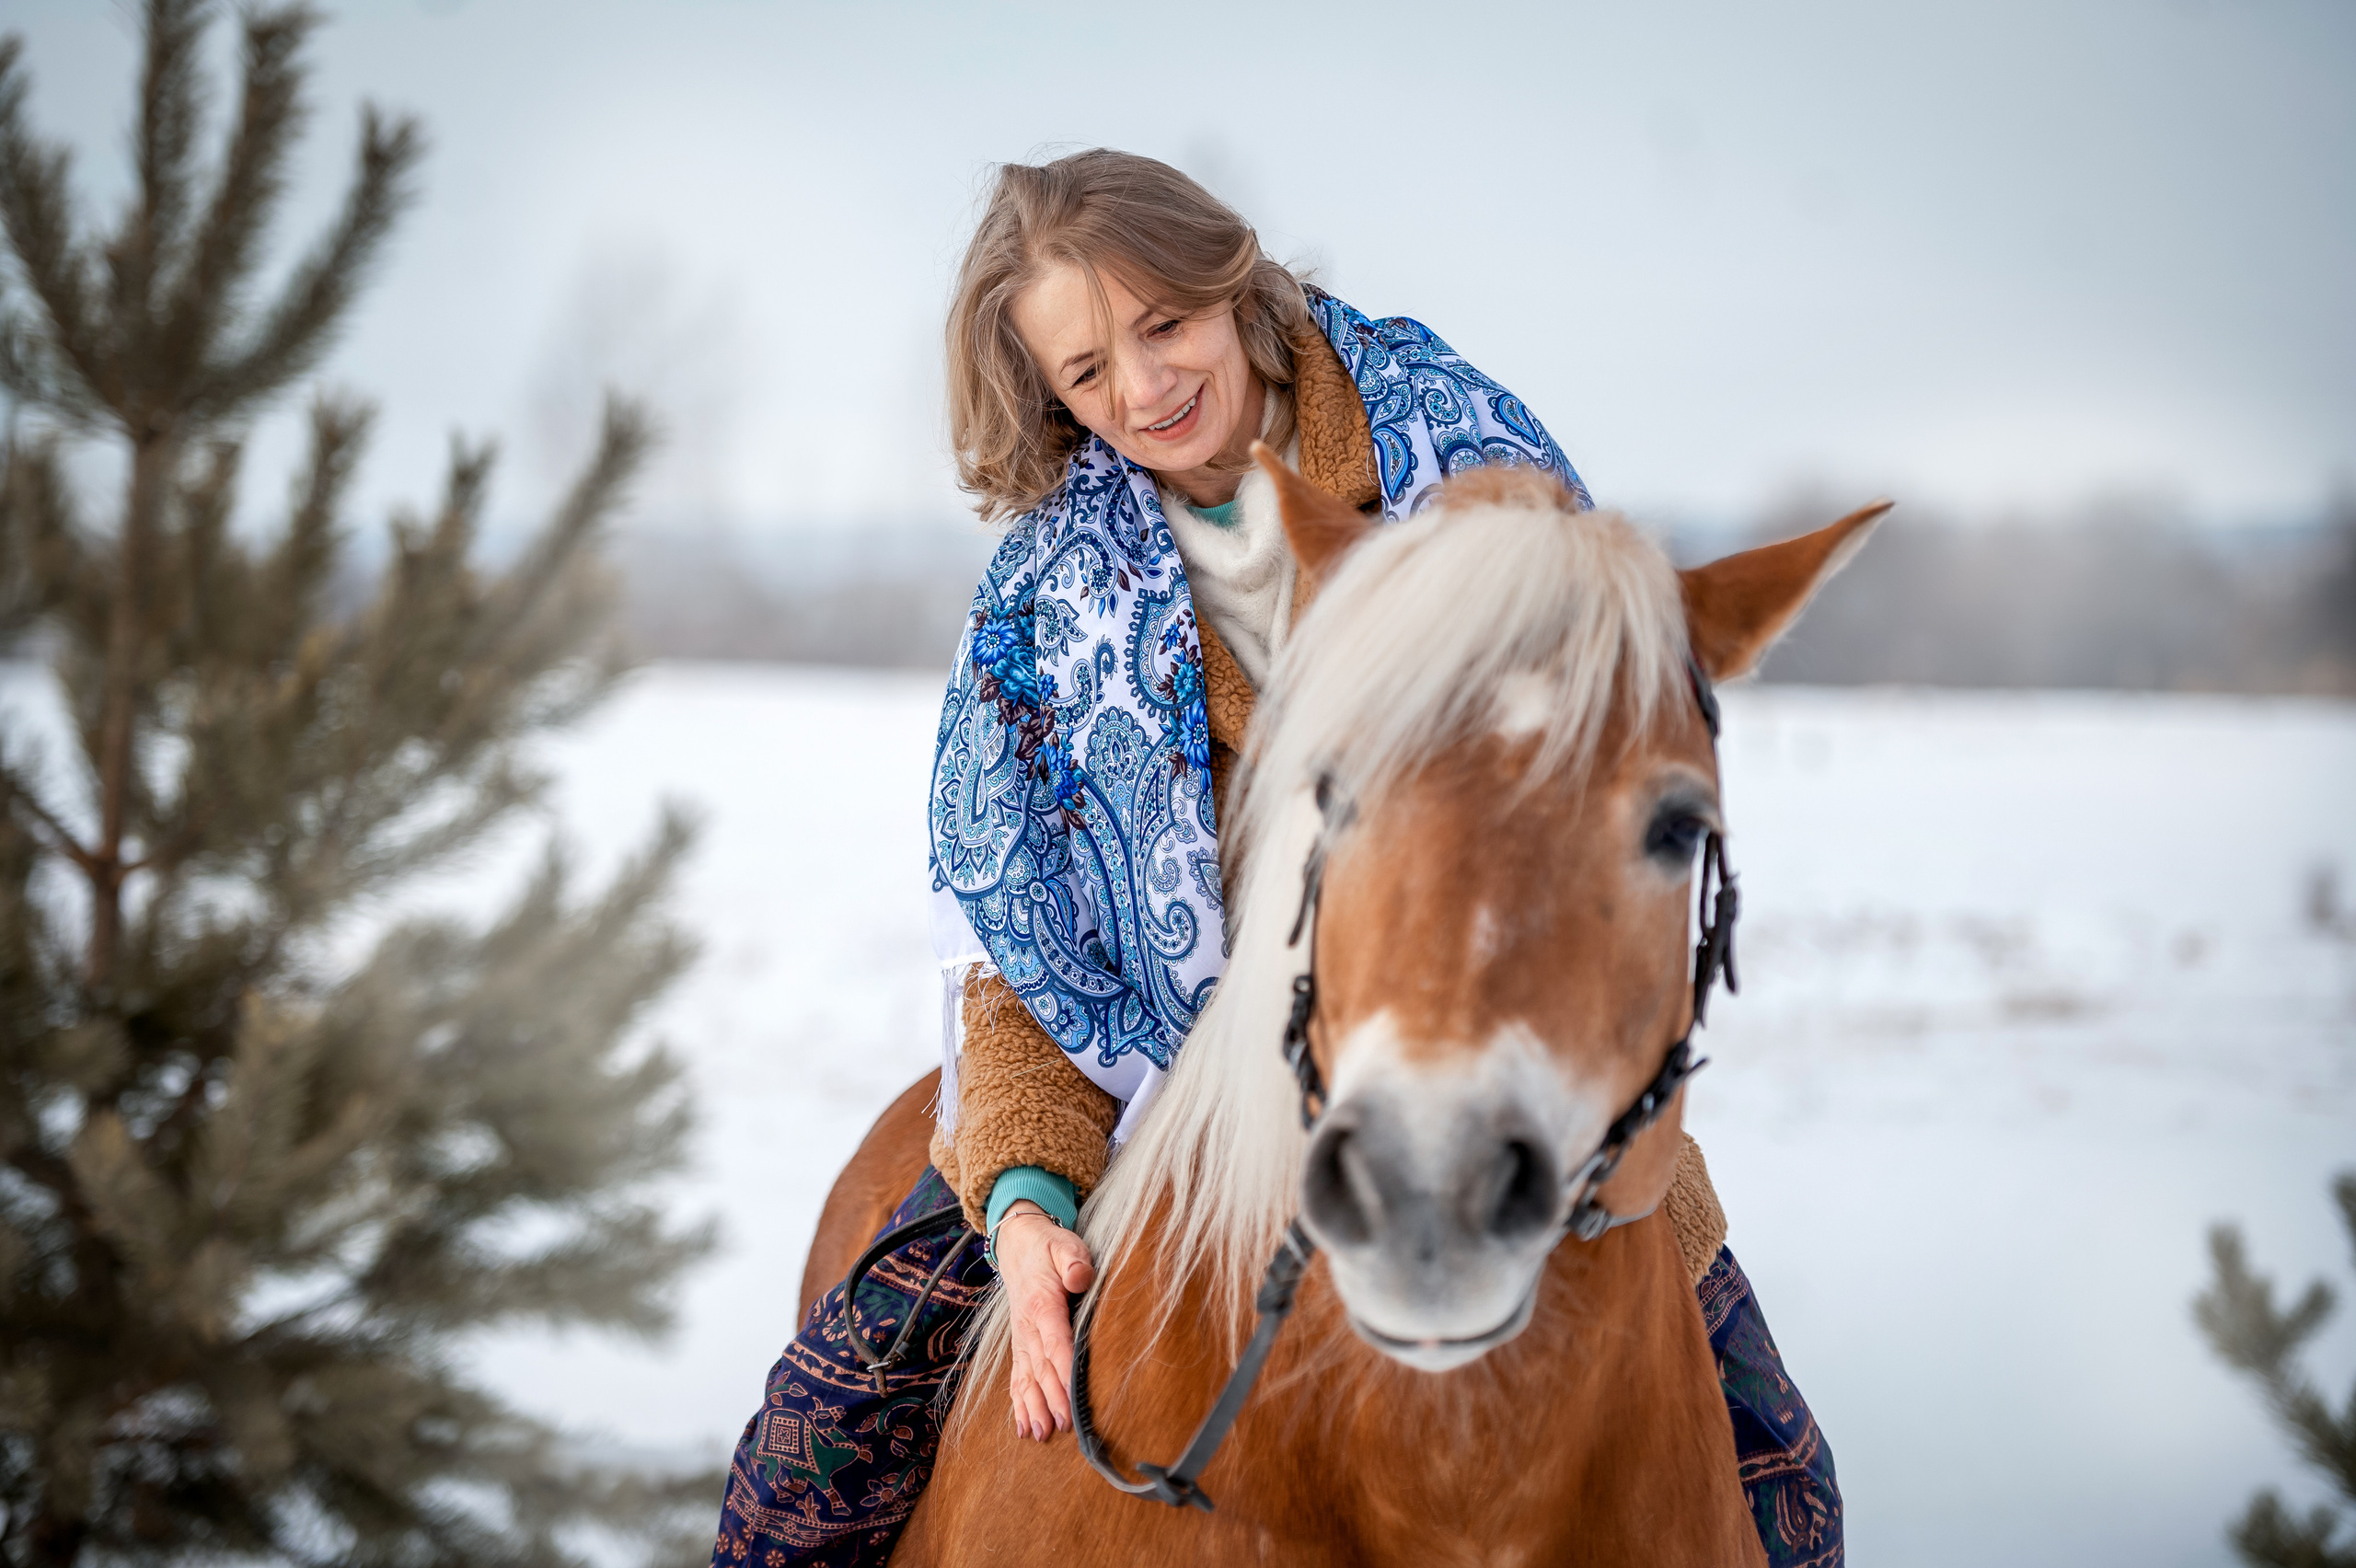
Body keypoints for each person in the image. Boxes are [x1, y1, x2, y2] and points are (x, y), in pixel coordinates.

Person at [710, 149, 1841, 1568]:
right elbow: (1023, 944)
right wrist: (1019, 1198)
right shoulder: (1047, 609)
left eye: (1160, 325)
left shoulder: (1467, 464)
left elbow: (1593, 789)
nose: (1140, 390)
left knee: (1790, 1502)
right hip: (1139, 1094)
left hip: (1477, 1054)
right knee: (795, 1493)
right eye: (1085, 372)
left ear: (1230, 285)